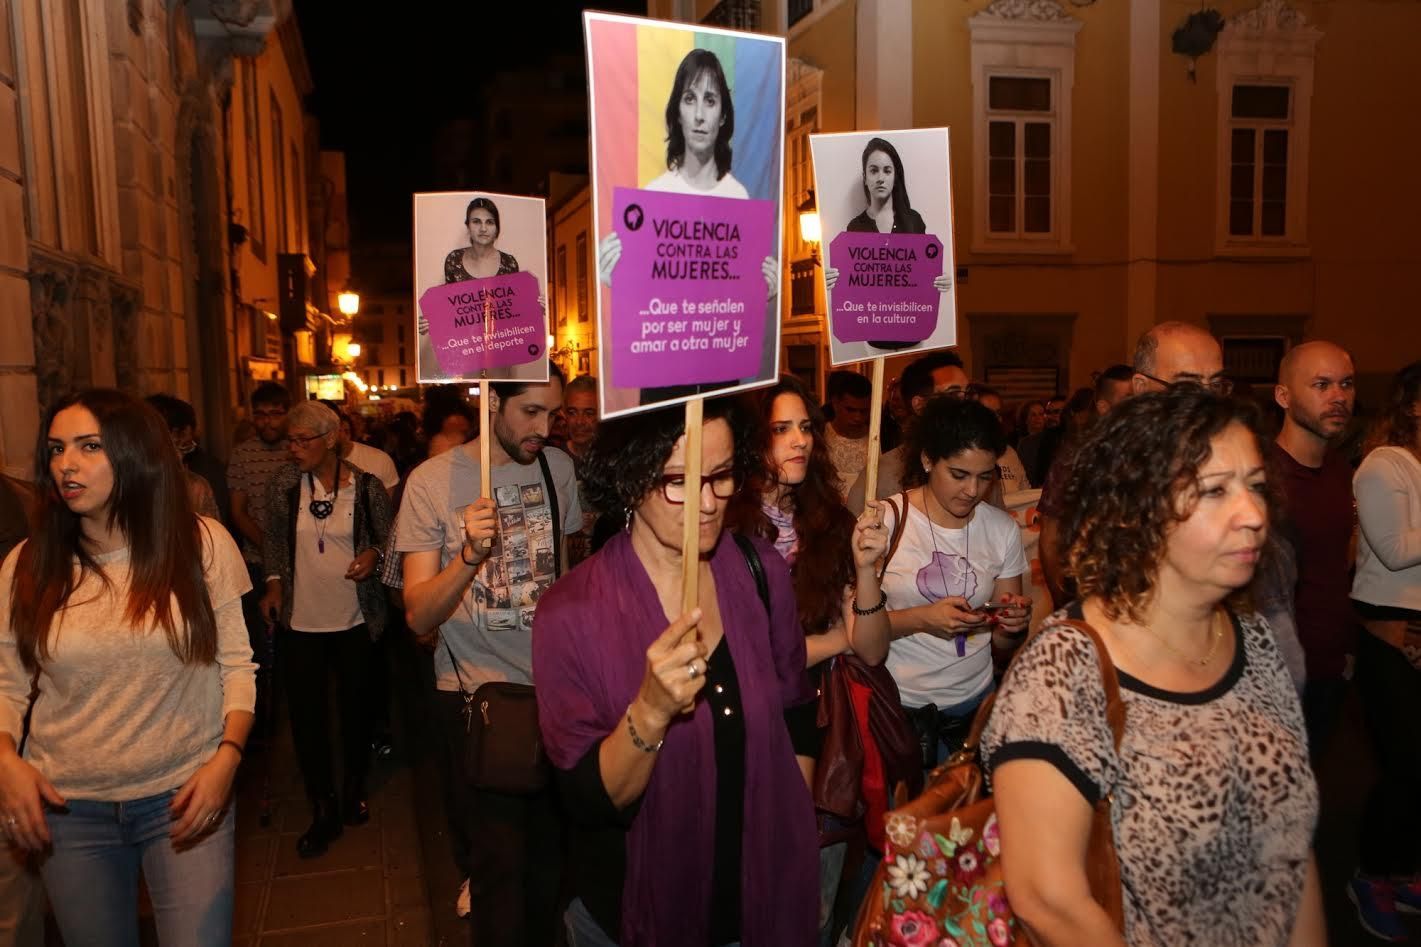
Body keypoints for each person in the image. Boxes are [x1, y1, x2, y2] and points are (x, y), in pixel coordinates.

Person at [982, 387, 1324, 945]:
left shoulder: (1255, 639)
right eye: (1215, 491)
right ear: (1135, 511)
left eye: (1256, 487)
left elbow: (1291, 850)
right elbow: (1049, 901)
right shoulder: (1063, 672)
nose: (1253, 514)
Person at [532, 397, 819, 946]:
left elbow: (796, 708)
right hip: (634, 912)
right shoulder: (570, 613)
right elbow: (589, 799)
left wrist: (789, 821)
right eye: (680, 481)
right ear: (631, 478)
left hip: (761, 899)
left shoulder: (762, 571)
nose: (708, 503)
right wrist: (650, 711)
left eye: (721, 476)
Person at [0, 389, 256, 945]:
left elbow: (236, 665)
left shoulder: (200, 544)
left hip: (184, 799)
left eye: (90, 446)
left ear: (135, 454)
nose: (67, 463)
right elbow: (8, 682)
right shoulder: (27, 562)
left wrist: (227, 759)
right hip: (70, 811)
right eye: (57, 448)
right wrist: (5, 759)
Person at [399, 365, 580, 946]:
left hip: (556, 696)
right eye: (531, 412)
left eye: (553, 414)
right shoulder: (431, 482)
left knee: (551, 870)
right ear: (492, 402)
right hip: (477, 700)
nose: (544, 428)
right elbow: (418, 614)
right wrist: (470, 557)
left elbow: (568, 573)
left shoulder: (558, 468)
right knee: (499, 874)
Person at [724, 376, 894, 946]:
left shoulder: (833, 522)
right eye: (780, 429)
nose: (798, 440)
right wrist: (833, 640)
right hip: (737, 718)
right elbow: (750, 654)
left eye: (805, 428)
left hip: (813, 717)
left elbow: (871, 646)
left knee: (804, 893)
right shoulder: (721, 526)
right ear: (751, 441)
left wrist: (866, 569)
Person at [596, 48, 778, 403]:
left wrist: (761, 292)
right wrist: (613, 276)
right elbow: (643, 306)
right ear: (676, 112)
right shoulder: (654, 195)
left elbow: (735, 299)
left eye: (709, 100)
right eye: (689, 99)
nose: (698, 115)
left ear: (723, 114)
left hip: (720, 376)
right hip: (663, 379)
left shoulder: (738, 197)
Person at [258, 401, 394, 858]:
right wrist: (274, 584)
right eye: (290, 440)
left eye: (302, 440)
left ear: (331, 438)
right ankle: (323, 804)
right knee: (307, 718)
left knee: (355, 710)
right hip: (302, 622)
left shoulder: (368, 486)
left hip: (355, 619)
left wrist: (373, 556)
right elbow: (275, 543)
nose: (293, 448)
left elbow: (388, 542)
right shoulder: (282, 485)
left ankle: (354, 784)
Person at [880, 397, 1031, 769]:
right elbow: (857, 635)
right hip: (900, 709)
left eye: (985, 476)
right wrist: (922, 619)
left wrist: (1012, 625)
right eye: (959, 475)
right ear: (929, 460)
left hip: (974, 707)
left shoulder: (1000, 529)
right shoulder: (886, 521)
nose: (972, 491)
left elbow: (1002, 643)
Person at [1345, 360, 1421, 940]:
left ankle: (1402, 868)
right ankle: (1370, 874)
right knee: (1405, 763)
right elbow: (1394, 551)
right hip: (1392, 625)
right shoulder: (1385, 464)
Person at [1271, 340, 1357, 754]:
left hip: (1329, 670)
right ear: (1283, 396)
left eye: (1346, 384)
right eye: (1321, 385)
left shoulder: (1340, 472)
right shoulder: (1261, 477)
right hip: (1274, 678)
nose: (1338, 396)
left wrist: (1345, 651)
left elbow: (1339, 563)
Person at [821, 138, 952, 350]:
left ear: (895, 176)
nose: (880, 178)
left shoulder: (913, 221)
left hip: (913, 337)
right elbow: (853, 286)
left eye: (887, 171)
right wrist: (834, 280)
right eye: (874, 171)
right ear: (865, 178)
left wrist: (941, 280)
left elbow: (924, 275)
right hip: (875, 341)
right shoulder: (855, 227)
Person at [420, 198, 531, 382]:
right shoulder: (453, 260)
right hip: (465, 351)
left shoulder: (509, 263)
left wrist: (534, 307)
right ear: (468, 226)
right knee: (472, 402)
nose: (483, 228)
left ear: (497, 227)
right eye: (476, 221)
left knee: (496, 397)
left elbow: (514, 312)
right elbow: (451, 309)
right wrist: (431, 321)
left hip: (499, 353)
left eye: (489, 222)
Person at [846, 350, 969, 514]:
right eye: (953, 394)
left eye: (968, 393)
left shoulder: (979, 464)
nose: (966, 403)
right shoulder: (883, 473)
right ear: (919, 405)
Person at [146, 393, 230, 525]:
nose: (179, 457)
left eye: (184, 449)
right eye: (175, 446)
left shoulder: (197, 485)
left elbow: (211, 533)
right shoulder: (125, 483)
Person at [562, 375, 601, 570]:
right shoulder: (554, 462)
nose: (579, 422)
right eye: (572, 412)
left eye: (589, 413)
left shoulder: (614, 463)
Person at [967, 384, 1029, 492]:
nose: (996, 419)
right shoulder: (964, 454)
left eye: (998, 413)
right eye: (989, 414)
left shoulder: (1009, 452)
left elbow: (1025, 491)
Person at [823, 370, 872, 499]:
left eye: (864, 411)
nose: (857, 417)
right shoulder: (820, 436)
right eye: (850, 410)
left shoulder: (880, 436)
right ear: (835, 403)